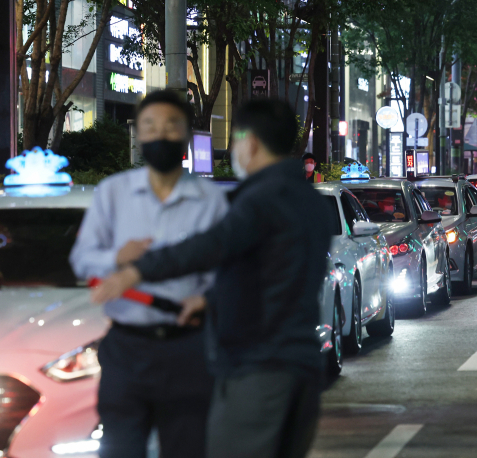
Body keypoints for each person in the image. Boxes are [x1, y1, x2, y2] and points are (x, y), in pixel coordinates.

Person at [91, 99, 334, 458]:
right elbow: (273, 276)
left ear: (250, 143)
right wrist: (209, 301)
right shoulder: (311, 202)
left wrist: (138, 269)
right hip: (303, 366)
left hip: (257, 369)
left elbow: (209, 246)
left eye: (236, 140)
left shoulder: (259, 200)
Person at [69, 90, 229, 458]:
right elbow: (82, 260)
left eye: (171, 126)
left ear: (187, 133)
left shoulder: (211, 200)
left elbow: (228, 268)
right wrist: (116, 258)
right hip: (127, 348)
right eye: (150, 126)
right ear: (138, 136)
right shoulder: (114, 193)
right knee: (121, 448)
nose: (160, 135)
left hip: (188, 347)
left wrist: (206, 299)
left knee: (187, 447)